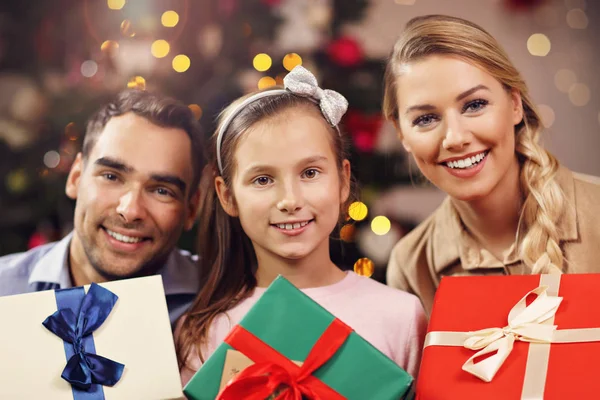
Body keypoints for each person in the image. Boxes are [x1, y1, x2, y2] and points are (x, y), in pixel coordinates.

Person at [175, 66, 427, 384]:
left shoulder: (401, 316)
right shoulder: (202, 332)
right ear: (228, 197)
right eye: (263, 179)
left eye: (309, 173)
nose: (290, 200)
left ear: (343, 180)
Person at [383, 14, 600, 315]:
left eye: (474, 105)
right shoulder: (410, 266)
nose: (455, 138)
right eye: (426, 119)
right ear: (401, 133)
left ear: (514, 104)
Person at [0, 89, 206, 325]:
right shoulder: (3, 291)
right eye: (111, 177)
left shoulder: (226, 302)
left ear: (191, 209)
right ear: (76, 177)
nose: (130, 211)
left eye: (161, 191)